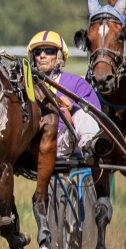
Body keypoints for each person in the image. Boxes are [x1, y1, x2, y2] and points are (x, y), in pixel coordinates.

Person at [27, 30, 107, 162]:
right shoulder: (26, 83)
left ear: (59, 56)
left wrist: (72, 108)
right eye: (37, 52)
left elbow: (95, 116)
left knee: (83, 113)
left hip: (65, 141)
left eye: (48, 51)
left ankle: (89, 147)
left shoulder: (76, 83)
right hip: (33, 144)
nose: (42, 55)